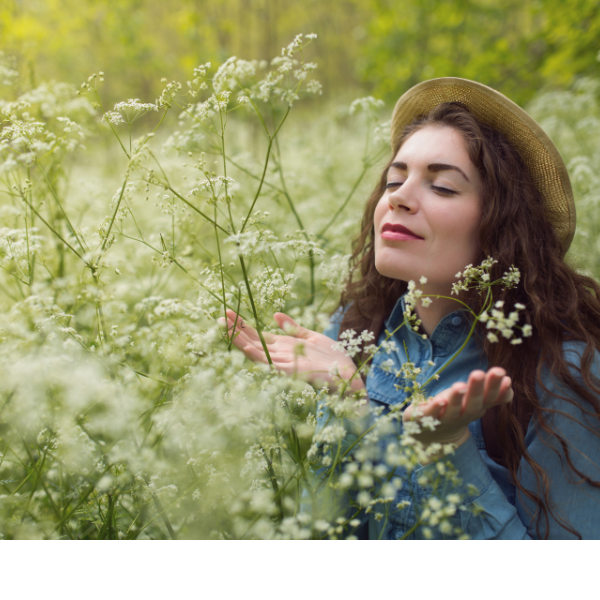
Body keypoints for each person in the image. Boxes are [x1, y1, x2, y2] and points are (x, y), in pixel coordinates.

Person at [220, 78, 600, 539]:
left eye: (442, 187)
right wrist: (350, 406)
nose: (398, 197)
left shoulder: (563, 373)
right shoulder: (357, 332)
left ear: (503, 223)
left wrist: (448, 448)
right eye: (395, 180)